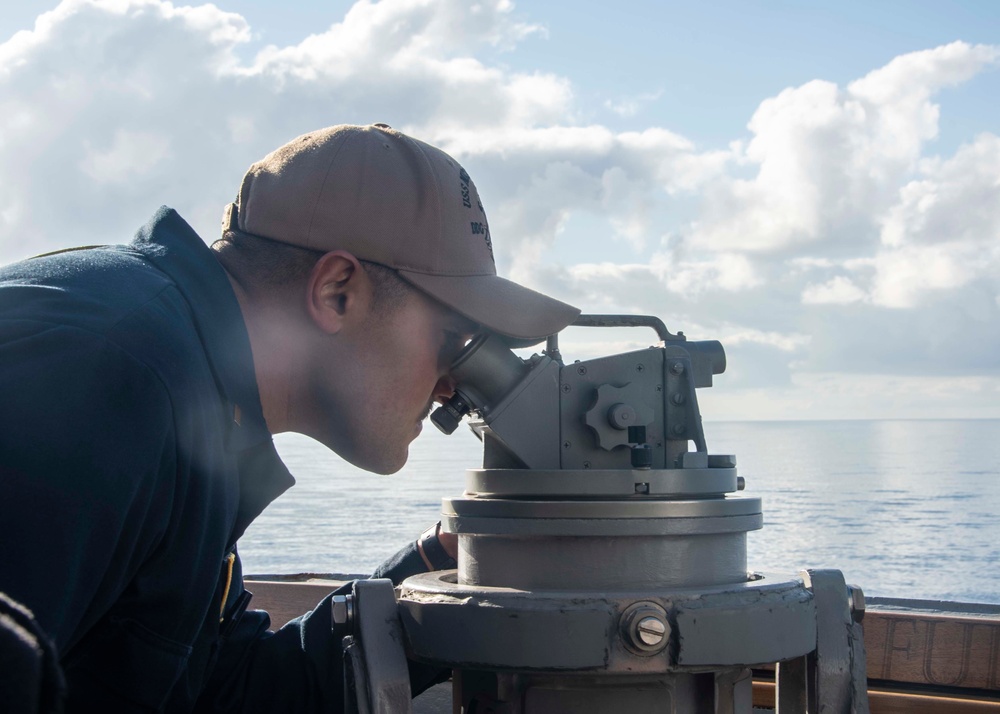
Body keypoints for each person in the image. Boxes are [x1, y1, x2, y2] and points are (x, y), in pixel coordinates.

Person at [0, 123, 580, 712]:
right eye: (454, 338)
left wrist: (443, 565)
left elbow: (227, 691)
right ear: (336, 292)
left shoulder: (191, 394)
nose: (452, 385)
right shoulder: (104, 375)